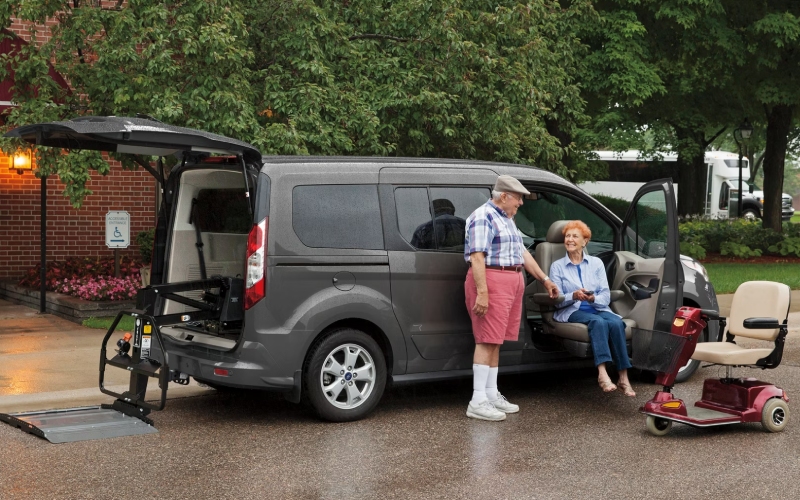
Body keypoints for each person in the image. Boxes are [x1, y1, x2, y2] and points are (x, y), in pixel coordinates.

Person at [464, 175, 559, 421]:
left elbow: (522, 253)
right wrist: (482, 293)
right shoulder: (483, 216)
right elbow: (477, 257)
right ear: (504, 196)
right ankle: (477, 400)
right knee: (486, 339)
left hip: (509, 281)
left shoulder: (506, 218)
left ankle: (491, 393)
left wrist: (544, 279)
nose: (521, 203)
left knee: (495, 340)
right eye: (518, 198)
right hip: (492, 281)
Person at [549, 220, 636, 397]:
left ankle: (623, 377)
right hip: (571, 310)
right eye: (567, 236)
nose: (570, 239)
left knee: (617, 323)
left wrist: (592, 297)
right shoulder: (557, 266)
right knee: (598, 322)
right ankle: (602, 374)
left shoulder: (596, 263)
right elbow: (557, 300)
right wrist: (573, 295)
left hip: (597, 307)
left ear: (585, 241)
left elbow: (605, 296)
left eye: (575, 236)